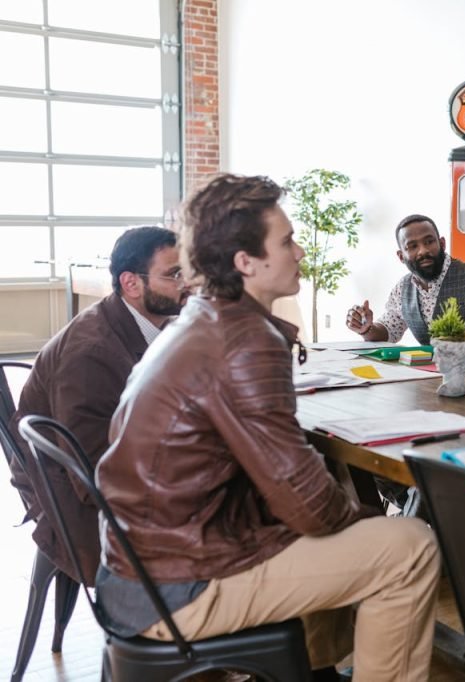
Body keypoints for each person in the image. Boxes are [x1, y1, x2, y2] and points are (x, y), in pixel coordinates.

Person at [95, 175, 440, 682]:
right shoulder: (245, 340)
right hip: (176, 585)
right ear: (245, 262)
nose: (300, 251)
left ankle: (309, 671)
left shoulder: (199, 318)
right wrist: (363, 516)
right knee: (409, 547)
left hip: (141, 568)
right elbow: (306, 502)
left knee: (351, 527)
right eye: (286, 241)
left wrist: (350, 517)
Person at [10, 226, 188, 586]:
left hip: (111, 475)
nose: (188, 283)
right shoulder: (92, 355)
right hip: (75, 507)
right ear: (131, 284)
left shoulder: (154, 324)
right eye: (174, 274)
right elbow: (92, 475)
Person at [346, 213, 465, 344]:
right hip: (431, 382)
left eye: (429, 241)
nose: (423, 251)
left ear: (442, 244)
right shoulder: (402, 290)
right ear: (401, 256)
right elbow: (388, 331)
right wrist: (366, 328)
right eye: (412, 246)